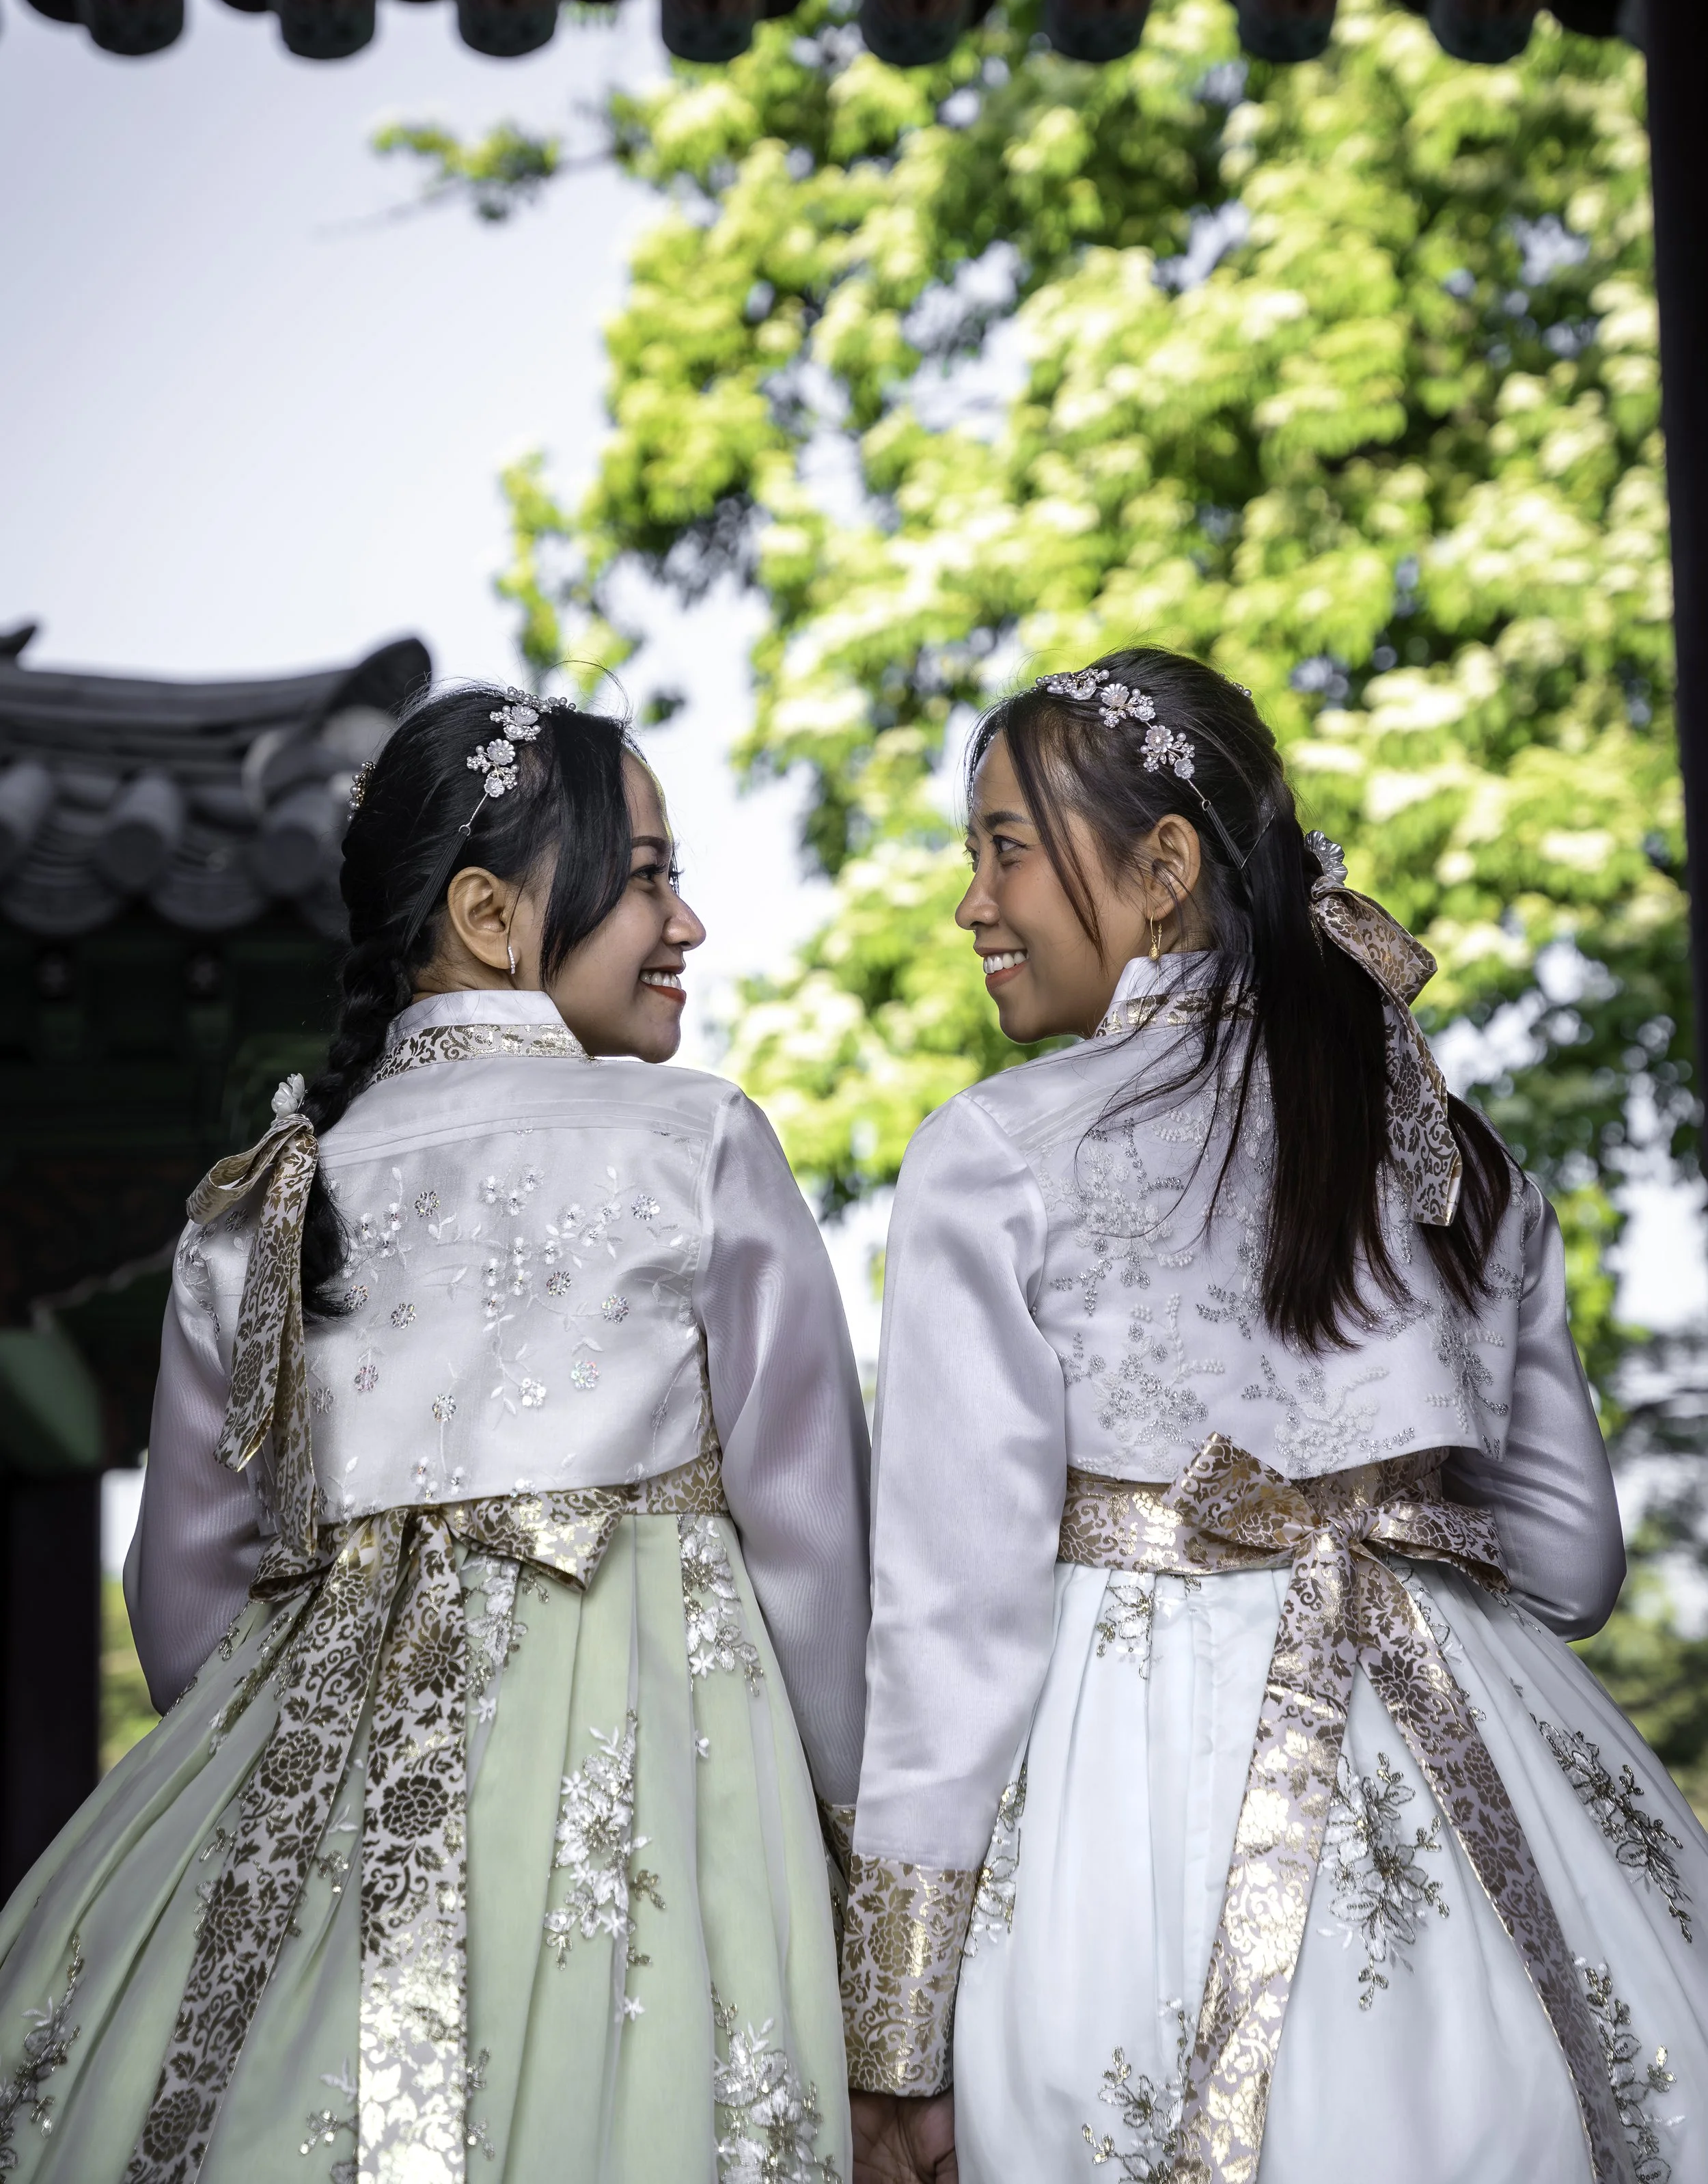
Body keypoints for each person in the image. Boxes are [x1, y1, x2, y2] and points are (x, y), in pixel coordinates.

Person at [843, 646, 1708, 2184]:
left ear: (1162, 867)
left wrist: (897, 2040)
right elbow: (1572, 1577)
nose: (969, 900)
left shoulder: (994, 1157)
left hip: (1131, 1852)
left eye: (1002, 848)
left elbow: (947, 1634)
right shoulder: (1456, 1148)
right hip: (1488, 1840)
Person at [0, 684, 869, 2184]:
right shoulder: (696, 1144)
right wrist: (862, 1868)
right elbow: (815, 1555)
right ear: (487, 912)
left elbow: (183, 1594)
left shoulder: (262, 1204)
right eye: (649, 872)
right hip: (660, 1801)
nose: (688, 923)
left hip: (301, 1827)